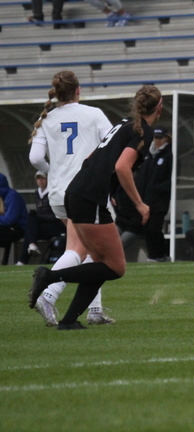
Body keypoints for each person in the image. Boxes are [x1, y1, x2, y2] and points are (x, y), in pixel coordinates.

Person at [28, 85, 162, 330]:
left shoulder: (123, 123)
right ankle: (50, 277)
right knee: (115, 267)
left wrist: (105, 189)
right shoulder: (143, 132)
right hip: (89, 198)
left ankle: (69, 320)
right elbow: (122, 167)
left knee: (100, 261)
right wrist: (140, 204)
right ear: (159, 107)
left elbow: (92, 157)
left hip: (76, 192)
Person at [28, 70, 115, 327]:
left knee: (94, 250)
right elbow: (112, 147)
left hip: (58, 192)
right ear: (78, 90)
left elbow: (35, 158)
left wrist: (50, 171)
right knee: (78, 250)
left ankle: (95, 309)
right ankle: (48, 294)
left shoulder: (47, 119)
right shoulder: (94, 114)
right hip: (85, 192)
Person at [136, 126, 173, 261]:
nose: (157, 141)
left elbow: (170, 178)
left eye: (160, 138)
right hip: (145, 200)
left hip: (159, 201)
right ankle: (152, 255)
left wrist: (157, 189)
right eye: (155, 138)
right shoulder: (148, 155)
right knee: (146, 229)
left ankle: (161, 255)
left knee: (155, 228)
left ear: (165, 138)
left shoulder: (169, 154)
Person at [16, 172, 65, 265]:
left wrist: (39, 217)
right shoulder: (37, 193)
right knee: (30, 225)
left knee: (31, 224)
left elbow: (56, 215)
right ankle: (31, 246)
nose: (40, 181)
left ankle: (23, 259)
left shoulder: (52, 193)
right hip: (42, 226)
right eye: (38, 179)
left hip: (55, 226)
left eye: (43, 178)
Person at [0, 173, 27, 263]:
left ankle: (4, 262)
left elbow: (10, 220)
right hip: (7, 228)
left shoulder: (12, 196)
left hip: (18, 229)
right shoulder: (2, 196)